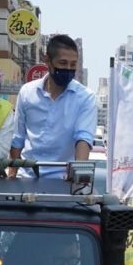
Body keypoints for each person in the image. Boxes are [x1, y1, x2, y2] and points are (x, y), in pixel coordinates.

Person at [9, 34, 97, 178]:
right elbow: (17, 138)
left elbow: (83, 138)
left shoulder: (85, 97)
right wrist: (12, 175)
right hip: (26, 177)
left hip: (62, 179)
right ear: (47, 60)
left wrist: (78, 176)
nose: (68, 69)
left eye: (73, 65)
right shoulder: (27, 92)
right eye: (63, 63)